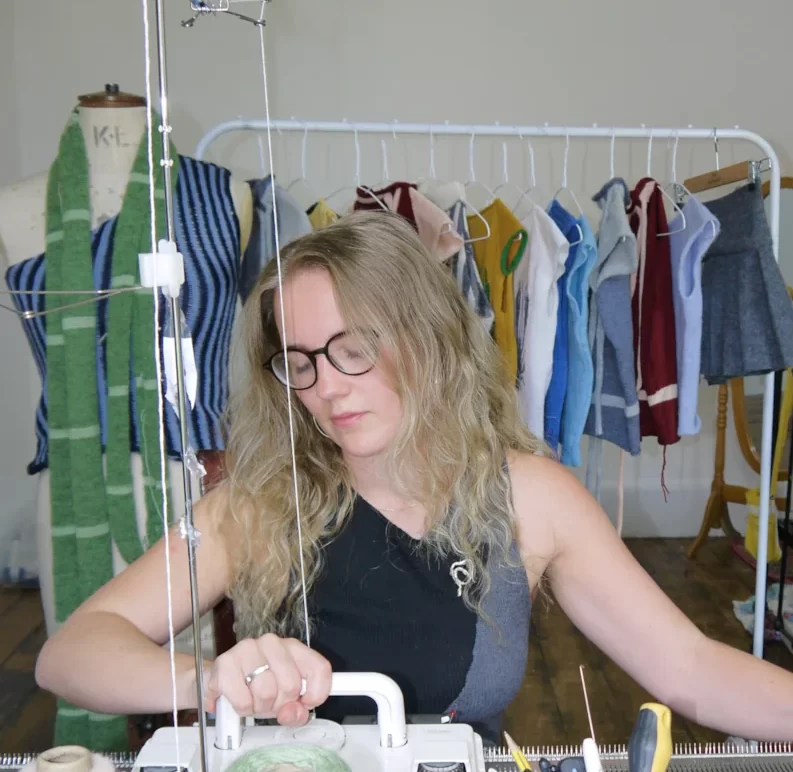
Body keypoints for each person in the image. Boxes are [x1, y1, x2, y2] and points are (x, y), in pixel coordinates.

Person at [35, 212, 793, 744]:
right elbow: (70, 654)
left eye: (352, 348)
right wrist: (214, 678)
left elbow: (690, 668)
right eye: (298, 361)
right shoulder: (256, 505)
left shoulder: (531, 499)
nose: (325, 387)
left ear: (426, 337)